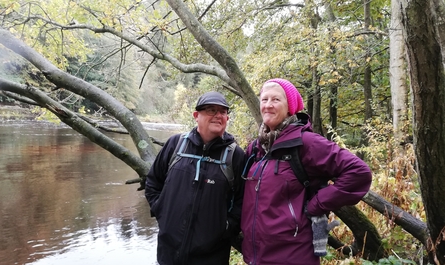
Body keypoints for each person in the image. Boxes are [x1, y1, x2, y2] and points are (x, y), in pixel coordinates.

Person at [240, 78, 372, 265]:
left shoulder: (306, 143)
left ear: (290, 107)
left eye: (276, 100)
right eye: (264, 99)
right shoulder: (257, 148)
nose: (268, 105)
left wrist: (315, 205)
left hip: (294, 255)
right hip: (255, 257)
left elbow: (359, 173)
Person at [145, 91, 246, 265]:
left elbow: (242, 200)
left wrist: (226, 228)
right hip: (168, 253)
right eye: (211, 110)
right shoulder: (176, 145)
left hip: (212, 256)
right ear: (196, 116)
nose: (218, 115)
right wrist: (161, 211)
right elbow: (153, 182)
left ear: (227, 118)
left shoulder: (234, 155)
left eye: (222, 112)